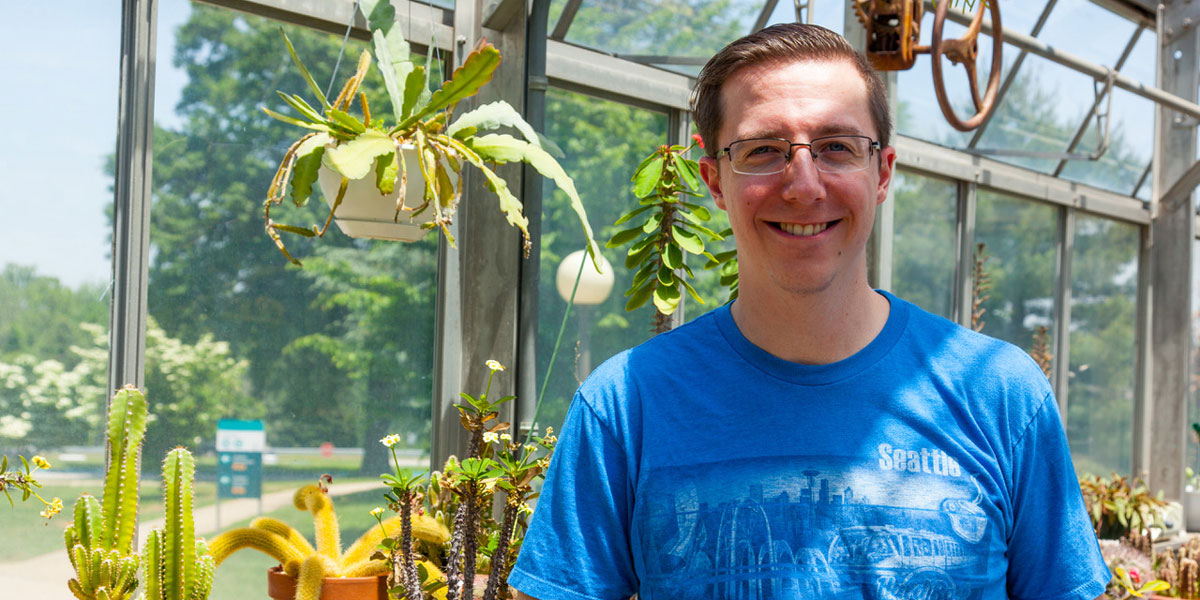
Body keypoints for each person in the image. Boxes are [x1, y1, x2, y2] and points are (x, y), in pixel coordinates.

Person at [507, 23, 1109, 600]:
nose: (803, 185)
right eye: (764, 149)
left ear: (883, 172)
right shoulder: (627, 405)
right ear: (714, 181)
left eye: (836, 148)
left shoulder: (1000, 396)